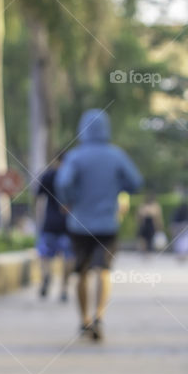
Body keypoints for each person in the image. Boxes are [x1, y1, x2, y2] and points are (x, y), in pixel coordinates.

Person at [56, 109, 142, 341]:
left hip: (79, 223)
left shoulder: (75, 156)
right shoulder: (116, 155)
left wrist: (70, 199)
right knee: (103, 270)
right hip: (107, 223)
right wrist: (116, 187)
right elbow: (135, 182)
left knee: (81, 272)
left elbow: (63, 182)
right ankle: (99, 316)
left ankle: (84, 320)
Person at [35, 154, 73, 302]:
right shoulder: (72, 176)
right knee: (68, 256)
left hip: (49, 223)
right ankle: (64, 288)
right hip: (69, 224)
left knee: (45, 255)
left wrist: (39, 221)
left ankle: (46, 276)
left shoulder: (48, 175)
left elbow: (39, 200)